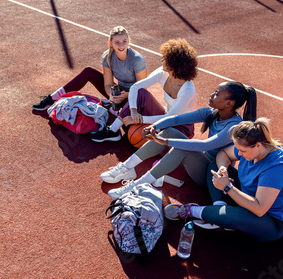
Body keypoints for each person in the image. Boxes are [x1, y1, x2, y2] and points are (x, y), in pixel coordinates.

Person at [102, 81, 257, 200]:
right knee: (169, 131)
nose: (211, 94)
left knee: (180, 147)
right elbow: (176, 119)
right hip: (200, 163)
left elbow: (206, 144)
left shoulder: (234, 126)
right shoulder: (211, 113)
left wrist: (166, 142)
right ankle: (127, 168)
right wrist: (155, 126)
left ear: (229, 103)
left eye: (216, 94)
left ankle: (137, 185)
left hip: (213, 175)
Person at [165, 118, 283, 242]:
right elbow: (224, 153)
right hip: (247, 197)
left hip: (269, 222)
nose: (239, 154)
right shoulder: (252, 146)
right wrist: (223, 168)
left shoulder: (276, 169)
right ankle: (219, 210)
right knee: (214, 165)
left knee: (237, 216)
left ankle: (192, 211)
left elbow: (259, 209)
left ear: (258, 145)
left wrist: (228, 187)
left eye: (242, 151)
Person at [90, 38, 197, 142]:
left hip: (181, 129)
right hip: (165, 118)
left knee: (158, 148)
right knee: (141, 94)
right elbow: (135, 87)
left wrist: (140, 119)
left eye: (166, 59)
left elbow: (169, 118)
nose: (162, 61)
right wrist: (133, 111)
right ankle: (113, 131)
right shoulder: (162, 73)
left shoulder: (188, 90)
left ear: (175, 65)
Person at [32, 26, 148, 111]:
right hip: (117, 94)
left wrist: (126, 95)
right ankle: (51, 99)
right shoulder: (107, 57)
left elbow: (143, 88)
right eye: (117, 42)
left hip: (134, 96)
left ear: (128, 41)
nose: (121, 45)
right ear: (111, 43)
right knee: (89, 71)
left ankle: (115, 112)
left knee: (127, 123)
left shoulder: (136, 59)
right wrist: (112, 95)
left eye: (124, 41)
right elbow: (107, 84)